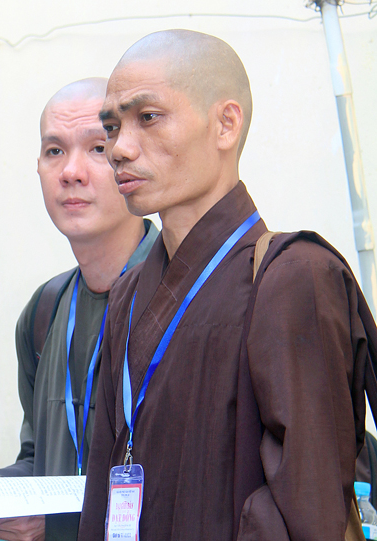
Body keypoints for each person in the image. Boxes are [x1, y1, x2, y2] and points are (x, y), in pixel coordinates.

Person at [78, 29, 369, 540]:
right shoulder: (127, 295)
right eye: (112, 126)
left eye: (148, 117)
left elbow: (309, 508)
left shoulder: (292, 278)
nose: (119, 148)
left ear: (225, 124)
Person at [0, 79, 158, 541]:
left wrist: (56, 524)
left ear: (129, 157)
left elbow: (199, 492)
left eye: (97, 148)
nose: (70, 172)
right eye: (54, 151)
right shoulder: (45, 312)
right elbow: (40, 461)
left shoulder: (182, 303)